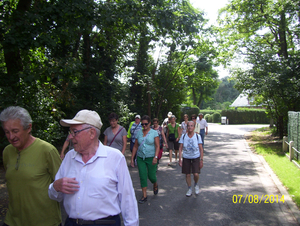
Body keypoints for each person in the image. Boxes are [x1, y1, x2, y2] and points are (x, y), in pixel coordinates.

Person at [48, 109, 139, 226]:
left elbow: (128, 200)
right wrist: (55, 187)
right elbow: (55, 196)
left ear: (91, 133)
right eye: (70, 132)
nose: (70, 137)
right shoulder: (69, 157)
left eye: (74, 132)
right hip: (72, 223)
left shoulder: (115, 158)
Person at [0, 106, 62, 226]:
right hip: (13, 221)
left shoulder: (47, 150)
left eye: (15, 131)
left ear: (29, 127)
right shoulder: (7, 151)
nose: (11, 137)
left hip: (44, 222)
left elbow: (61, 184)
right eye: (7, 132)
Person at [130, 115, 160, 204]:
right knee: (142, 176)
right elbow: (135, 146)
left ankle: (155, 183)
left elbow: (157, 146)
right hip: (140, 158)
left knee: (151, 176)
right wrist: (132, 158)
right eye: (142, 124)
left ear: (150, 123)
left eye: (146, 124)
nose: (144, 126)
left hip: (151, 157)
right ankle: (144, 195)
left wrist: (155, 157)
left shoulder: (154, 133)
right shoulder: (139, 133)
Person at [178, 121, 204, 197]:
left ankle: (196, 184)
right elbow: (180, 148)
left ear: (194, 127)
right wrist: (180, 159)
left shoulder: (197, 136)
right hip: (186, 157)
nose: (190, 127)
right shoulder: (183, 136)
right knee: (188, 174)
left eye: (191, 126)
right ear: (187, 127)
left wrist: (201, 160)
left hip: (196, 157)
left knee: (196, 174)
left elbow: (201, 149)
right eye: (188, 126)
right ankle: (189, 188)